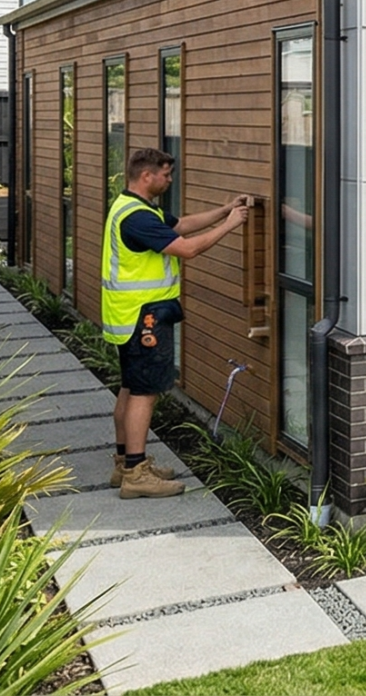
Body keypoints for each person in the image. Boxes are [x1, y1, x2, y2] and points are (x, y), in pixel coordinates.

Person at [105, 147, 251, 499]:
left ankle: (126, 464)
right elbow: (186, 247)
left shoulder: (133, 207)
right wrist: (231, 225)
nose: (169, 181)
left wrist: (224, 210)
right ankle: (136, 475)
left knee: (130, 386)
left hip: (129, 316)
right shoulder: (137, 218)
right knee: (144, 392)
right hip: (144, 317)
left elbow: (180, 225)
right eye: (166, 175)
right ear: (146, 176)